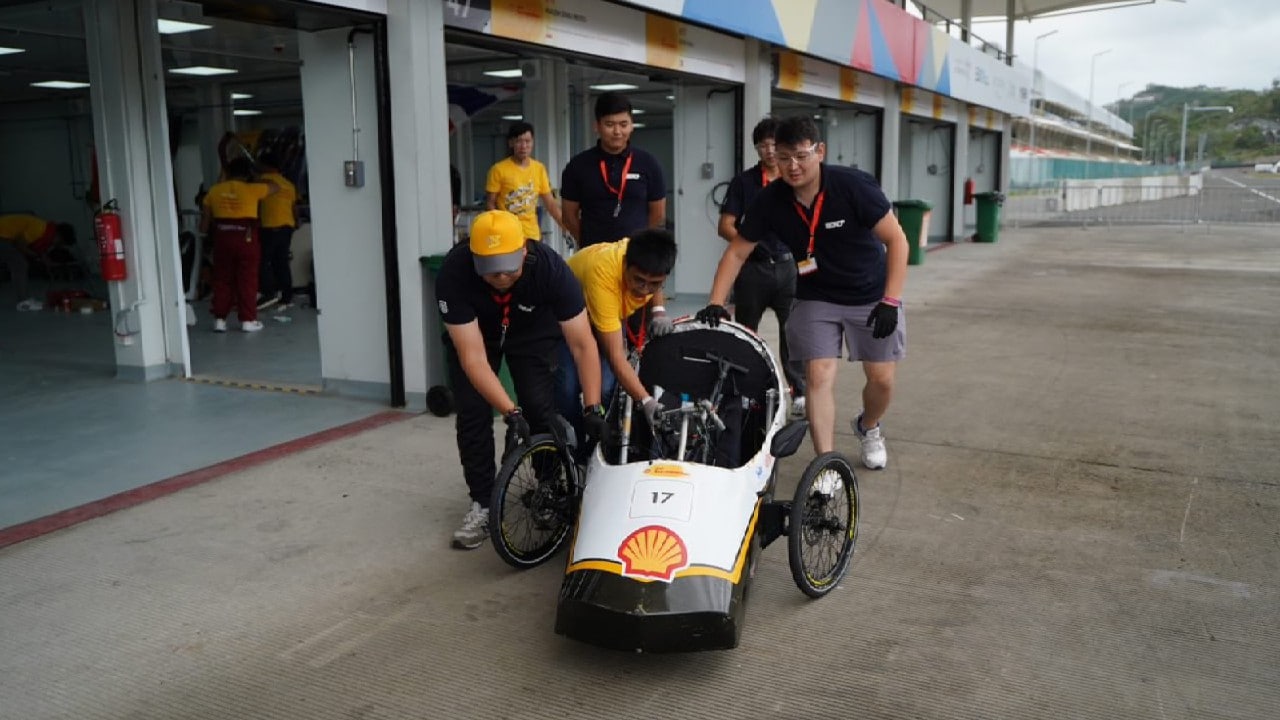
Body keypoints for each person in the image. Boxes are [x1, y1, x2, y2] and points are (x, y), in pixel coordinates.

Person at [697, 115, 909, 470]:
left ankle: (868, 426)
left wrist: (891, 299)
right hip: (815, 296)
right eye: (783, 157)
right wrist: (716, 302)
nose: (792, 166)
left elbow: (897, 239)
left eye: (800, 156)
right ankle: (825, 464)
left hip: (869, 294)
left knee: (882, 379)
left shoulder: (853, 187)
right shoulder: (771, 199)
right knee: (818, 376)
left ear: (819, 151)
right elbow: (737, 250)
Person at [435, 209, 607, 550]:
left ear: (525, 250)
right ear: (474, 256)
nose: (500, 276)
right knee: (473, 414)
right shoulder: (454, 272)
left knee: (540, 408)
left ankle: (546, 489)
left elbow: (582, 344)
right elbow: (472, 357)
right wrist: (509, 412)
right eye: (490, 269)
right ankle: (483, 504)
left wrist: (592, 406)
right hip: (478, 337)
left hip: (531, 333)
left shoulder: (552, 270)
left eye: (508, 268)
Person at [555, 228, 677, 452]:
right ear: (624, 265)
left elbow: (653, 279)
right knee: (567, 387)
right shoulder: (604, 274)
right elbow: (615, 356)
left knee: (607, 388)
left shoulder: (644, 255)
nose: (645, 289)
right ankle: (574, 452)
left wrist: (658, 310)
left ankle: (602, 444)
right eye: (639, 281)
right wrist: (646, 401)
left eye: (654, 284)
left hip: (607, 313)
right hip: (565, 318)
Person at [718, 117, 807, 418]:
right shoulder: (744, 183)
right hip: (753, 270)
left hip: (788, 268)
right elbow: (726, 225)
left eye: (774, 145)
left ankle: (799, 391)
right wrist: (750, 244)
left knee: (793, 332)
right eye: (762, 146)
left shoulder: (795, 179)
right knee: (746, 333)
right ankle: (746, 390)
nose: (769, 151)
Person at [560, 92, 666, 247]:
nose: (617, 132)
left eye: (623, 124)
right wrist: (588, 242)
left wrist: (639, 244)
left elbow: (658, 214)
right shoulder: (578, 166)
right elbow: (569, 216)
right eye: (610, 125)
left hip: (635, 255)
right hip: (593, 254)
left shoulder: (648, 163)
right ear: (597, 126)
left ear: (632, 126)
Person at [200, 157, 281, 333]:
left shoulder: (214, 191)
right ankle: (248, 320)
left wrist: (204, 236)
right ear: (248, 173)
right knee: (247, 280)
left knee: (222, 279)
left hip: (222, 239)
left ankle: (220, 320)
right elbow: (276, 186)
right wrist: (257, 178)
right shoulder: (253, 189)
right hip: (246, 239)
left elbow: (205, 223)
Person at [484, 122, 564, 242]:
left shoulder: (539, 169)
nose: (524, 146)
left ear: (532, 142)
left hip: (532, 236)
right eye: (519, 141)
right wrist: (499, 228)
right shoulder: (498, 170)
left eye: (528, 141)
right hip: (507, 235)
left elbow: (551, 204)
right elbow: (490, 204)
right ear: (511, 143)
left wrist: (565, 226)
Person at [0, 214, 75, 311]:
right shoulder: (39, 229)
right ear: (59, 235)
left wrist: (45, 260)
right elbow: (19, 244)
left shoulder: (45, 231)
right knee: (20, 264)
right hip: (3, 237)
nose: (57, 245)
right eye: (60, 243)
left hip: (6, 237)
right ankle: (23, 302)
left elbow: (37, 248)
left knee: (19, 263)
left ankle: (23, 299)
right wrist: (36, 257)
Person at [255, 153, 298, 310]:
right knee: (281, 262)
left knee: (262, 261)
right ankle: (287, 297)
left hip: (270, 226)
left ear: (266, 166)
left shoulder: (263, 181)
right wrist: (296, 223)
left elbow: (257, 203)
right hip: (287, 226)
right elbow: (294, 208)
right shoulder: (288, 184)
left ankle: (268, 293)